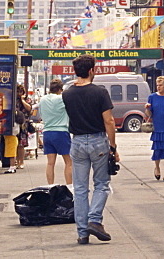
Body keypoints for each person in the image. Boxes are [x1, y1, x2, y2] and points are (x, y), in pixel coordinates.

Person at [62, 54, 118, 245]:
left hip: (77, 142)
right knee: (101, 184)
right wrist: (113, 146)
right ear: (92, 70)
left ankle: (82, 233)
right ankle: (94, 220)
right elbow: (109, 121)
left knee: (79, 189)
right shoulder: (100, 92)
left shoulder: (67, 93)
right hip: (97, 141)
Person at [37, 79, 72, 185]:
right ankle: (70, 186)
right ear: (60, 89)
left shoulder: (43, 99)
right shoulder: (62, 98)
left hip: (47, 132)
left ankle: (50, 186)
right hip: (61, 132)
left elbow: (41, 115)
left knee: (50, 163)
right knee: (68, 162)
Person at [15, 84, 32, 169]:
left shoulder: (26, 100)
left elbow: (29, 109)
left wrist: (22, 100)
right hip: (14, 123)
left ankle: (21, 162)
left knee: (21, 144)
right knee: (14, 143)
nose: (19, 93)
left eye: (20, 91)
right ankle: (15, 161)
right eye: (17, 91)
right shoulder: (13, 99)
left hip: (23, 124)